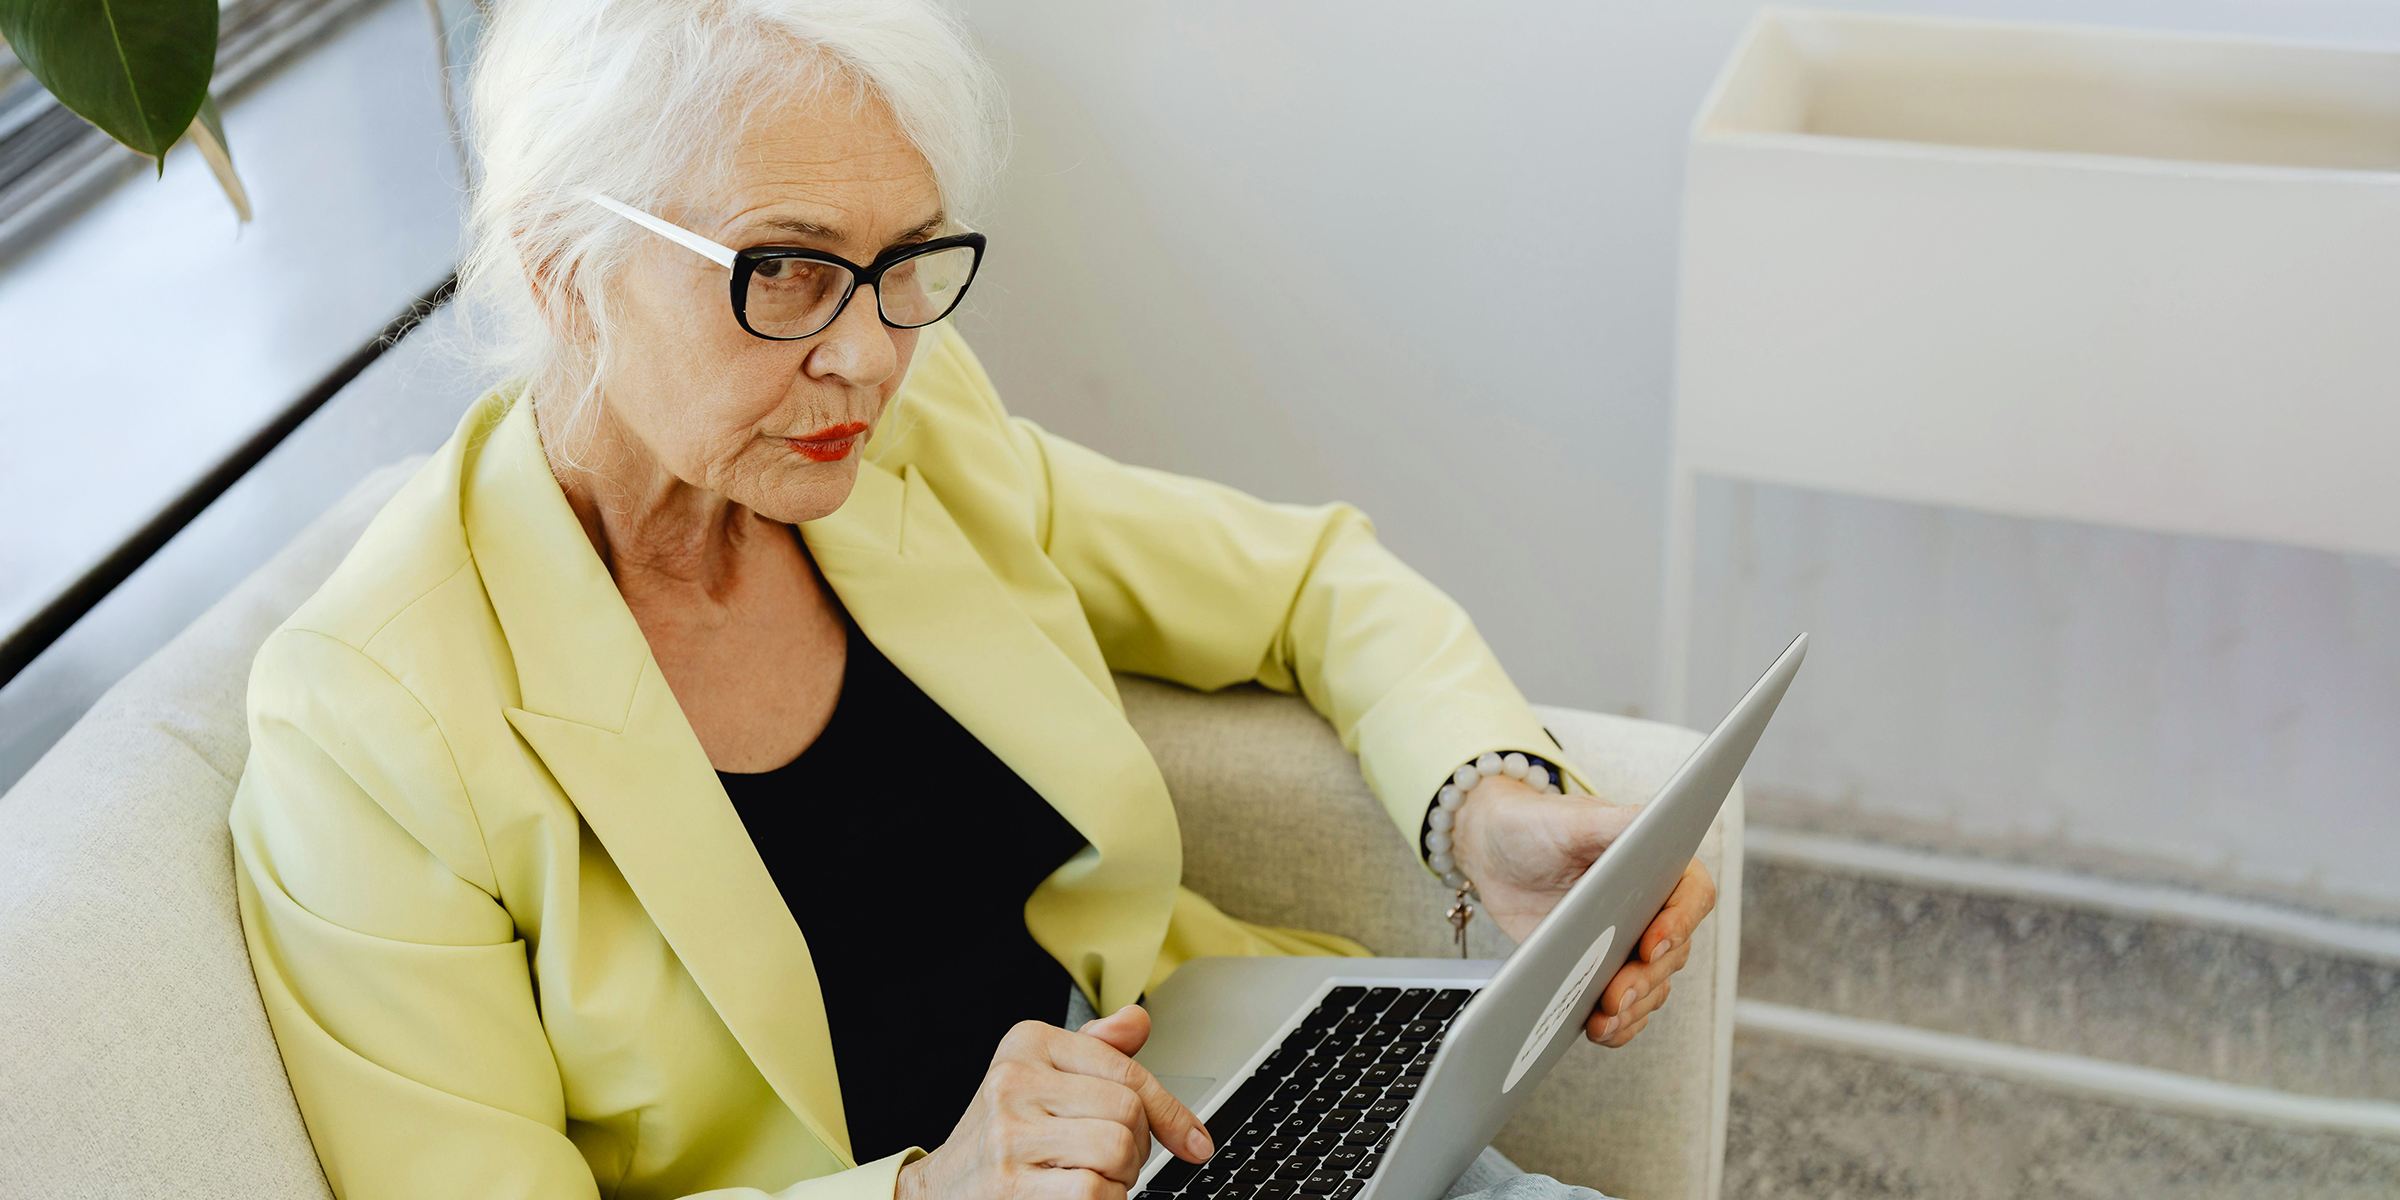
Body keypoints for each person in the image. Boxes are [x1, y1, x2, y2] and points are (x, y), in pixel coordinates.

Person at [228, 2, 1716, 1198]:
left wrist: (1486, 811)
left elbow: (1306, 582)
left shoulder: (903, 446)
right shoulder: (372, 717)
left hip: (1222, 1123)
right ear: (564, 268)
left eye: (902, 266)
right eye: (792, 273)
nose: (871, 359)